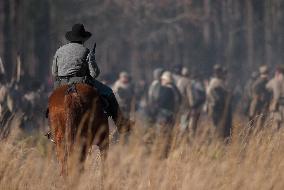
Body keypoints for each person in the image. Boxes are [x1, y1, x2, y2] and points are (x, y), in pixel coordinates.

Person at [50, 23, 129, 128]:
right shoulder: (86, 51)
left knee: (52, 104)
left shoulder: (59, 51)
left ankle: (52, 129)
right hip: (82, 81)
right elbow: (94, 74)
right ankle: (121, 124)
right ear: (83, 39)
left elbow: (54, 72)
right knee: (109, 92)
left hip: (62, 84)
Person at [207, 64, 232, 138]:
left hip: (219, 107)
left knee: (219, 126)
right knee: (216, 126)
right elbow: (212, 96)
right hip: (216, 108)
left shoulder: (219, 81)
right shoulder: (215, 82)